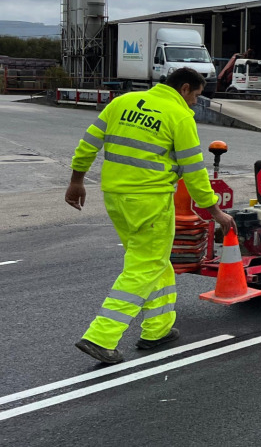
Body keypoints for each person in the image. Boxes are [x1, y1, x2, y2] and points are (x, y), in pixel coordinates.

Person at [66, 66, 235, 365]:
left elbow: (88, 144)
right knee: (145, 266)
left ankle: (158, 328)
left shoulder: (122, 102)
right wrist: (214, 211)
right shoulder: (179, 115)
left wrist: (76, 181)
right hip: (150, 201)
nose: (195, 102)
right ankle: (101, 337)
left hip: (115, 196)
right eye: (196, 95)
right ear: (184, 88)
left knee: (155, 260)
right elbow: (194, 171)